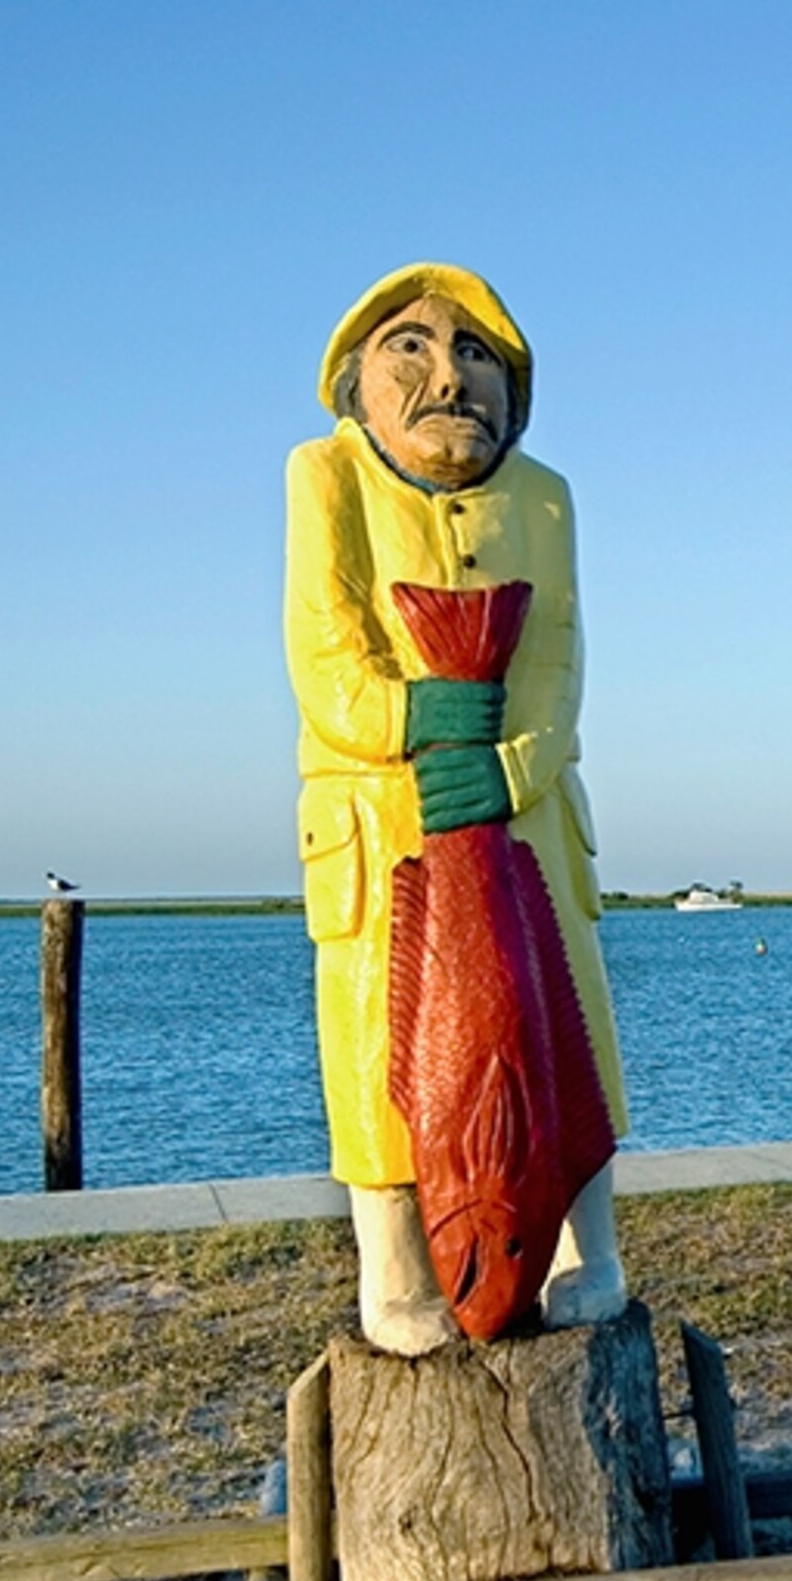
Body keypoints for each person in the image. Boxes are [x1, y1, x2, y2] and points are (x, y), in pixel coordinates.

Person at [286, 263, 627, 1353]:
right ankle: (395, 1270)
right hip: (381, 821)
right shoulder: (323, 474)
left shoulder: (546, 496)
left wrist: (518, 765)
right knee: (379, 1039)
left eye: (476, 353)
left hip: (525, 820)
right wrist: (411, 720)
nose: (449, 375)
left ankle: (590, 1249)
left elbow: (559, 659)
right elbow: (322, 644)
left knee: (565, 1020)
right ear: (357, 381)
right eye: (412, 350)